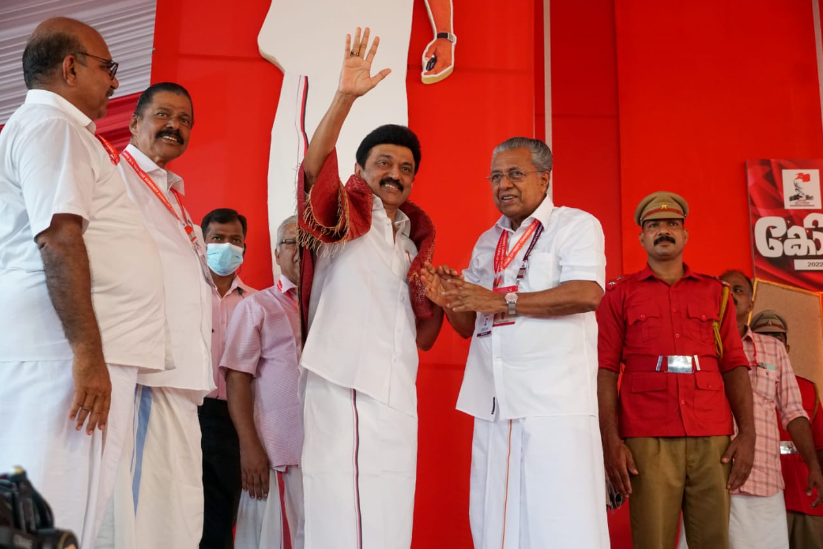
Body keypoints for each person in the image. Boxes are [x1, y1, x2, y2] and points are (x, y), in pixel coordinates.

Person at [0, 17, 165, 548]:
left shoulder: (57, 130)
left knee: (72, 518)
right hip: (63, 353)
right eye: (108, 68)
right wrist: (88, 354)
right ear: (70, 68)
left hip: (69, 350)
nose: (116, 82)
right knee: (49, 514)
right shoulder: (54, 127)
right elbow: (60, 238)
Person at [422, 137, 610, 548]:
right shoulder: (487, 241)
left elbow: (586, 293)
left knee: (558, 520)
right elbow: (467, 325)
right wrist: (450, 299)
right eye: (495, 176)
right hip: (494, 402)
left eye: (514, 173)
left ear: (545, 179)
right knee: (494, 521)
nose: (502, 184)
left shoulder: (575, 225)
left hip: (553, 403)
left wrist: (501, 299)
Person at [297, 28, 444, 549]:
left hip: (396, 385)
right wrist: (344, 98)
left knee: (390, 501)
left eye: (406, 168)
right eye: (383, 162)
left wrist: (443, 299)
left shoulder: (412, 244)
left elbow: (425, 336)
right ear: (360, 169)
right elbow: (313, 167)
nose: (395, 173)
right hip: (343, 379)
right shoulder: (341, 214)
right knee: (338, 501)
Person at [597, 191, 756, 549]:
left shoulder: (716, 293)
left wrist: (747, 433)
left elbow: (734, 364)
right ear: (642, 237)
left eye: (672, 224)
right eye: (653, 225)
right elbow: (606, 370)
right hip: (646, 437)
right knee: (652, 540)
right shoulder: (619, 296)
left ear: (685, 235)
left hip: (711, 435)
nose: (663, 231)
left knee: (713, 540)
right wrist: (610, 441)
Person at [100, 81, 214, 549]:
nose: (175, 126)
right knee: (134, 511)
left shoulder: (173, 194)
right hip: (145, 370)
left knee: (175, 507)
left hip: (180, 377)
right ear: (134, 122)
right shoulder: (115, 179)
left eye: (185, 120)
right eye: (164, 114)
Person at [677, 275, 823, 549]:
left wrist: (813, 465)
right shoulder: (693, 344)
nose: (730, 293)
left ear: (750, 302)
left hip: (763, 482)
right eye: (722, 289)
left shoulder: (773, 349)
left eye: (738, 290)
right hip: (707, 478)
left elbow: (793, 410)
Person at [223, 216, 304, 549]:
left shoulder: (331, 309)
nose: (300, 251)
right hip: (277, 454)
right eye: (291, 243)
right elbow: (236, 379)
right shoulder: (257, 306)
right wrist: (250, 447)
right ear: (276, 254)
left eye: (310, 243)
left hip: (326, 455)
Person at [199, 208, 257, 549]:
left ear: (244, 249)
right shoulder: (185, 295)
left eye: (235, 240)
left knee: (223, 516)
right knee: (178, 507)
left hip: (234, 421)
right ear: (203, 243)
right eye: (217, 239)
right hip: (187, 410)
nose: (226, 246)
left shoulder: (256, 303)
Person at [751, 310, 823, 549]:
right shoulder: (740, 387)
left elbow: (820, 445)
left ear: (786, 348)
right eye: (765, 337)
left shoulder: (808, 389)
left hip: (805, 498)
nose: (771, 342)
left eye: (777, 338)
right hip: (760, 497)